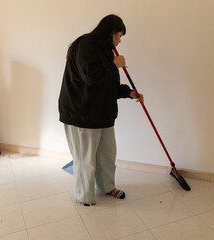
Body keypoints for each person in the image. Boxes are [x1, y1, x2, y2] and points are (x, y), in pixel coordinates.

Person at [58, 14, 143, 206]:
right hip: (82, 113)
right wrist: (114, 65)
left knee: (107, 155)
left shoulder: (107, 50)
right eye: (119, 36)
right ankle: (84, 196)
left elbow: (108, 85)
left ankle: (107, 186)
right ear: (110, 32)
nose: (119, 41)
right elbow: (91, 77)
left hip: (102, 113)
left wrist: (129, 93)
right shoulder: (85, 45)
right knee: (86, 159)